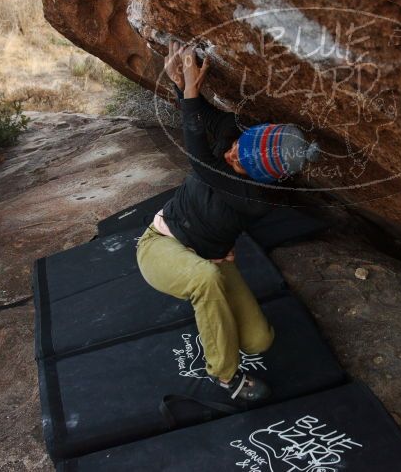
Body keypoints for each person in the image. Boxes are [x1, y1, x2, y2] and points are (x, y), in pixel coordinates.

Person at [136, 41, 319, 402]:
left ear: (260, 177)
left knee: (260, 340)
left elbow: (199, 158)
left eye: (238, 160)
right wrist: (181, 84)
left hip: (210, 257)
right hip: (161, 246)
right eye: (239, 145)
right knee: (205, 279)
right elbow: (203, 115)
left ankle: (208, 303)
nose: (231, 152)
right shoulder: (236, 138)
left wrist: (187, 91)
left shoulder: (255, 199)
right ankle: (223, 376)